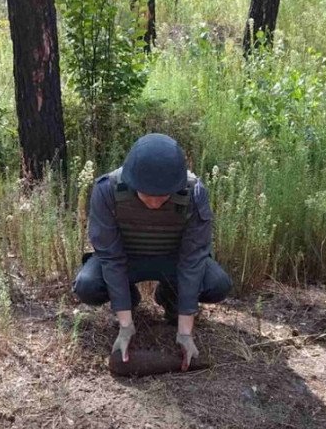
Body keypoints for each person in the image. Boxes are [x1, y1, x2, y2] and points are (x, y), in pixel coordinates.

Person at [72, 133, 232, 371]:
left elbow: (192, 261)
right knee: (87, 285)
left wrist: (185, 332)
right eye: (148, 195)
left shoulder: (194, 192)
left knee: (217, 283)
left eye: (163, 196)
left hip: (174, 262)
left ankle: (170, 298)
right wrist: (125, 325)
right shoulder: (107, 190)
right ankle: (129, 300)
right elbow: (111, 258)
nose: (156, 203)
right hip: (126, 261)